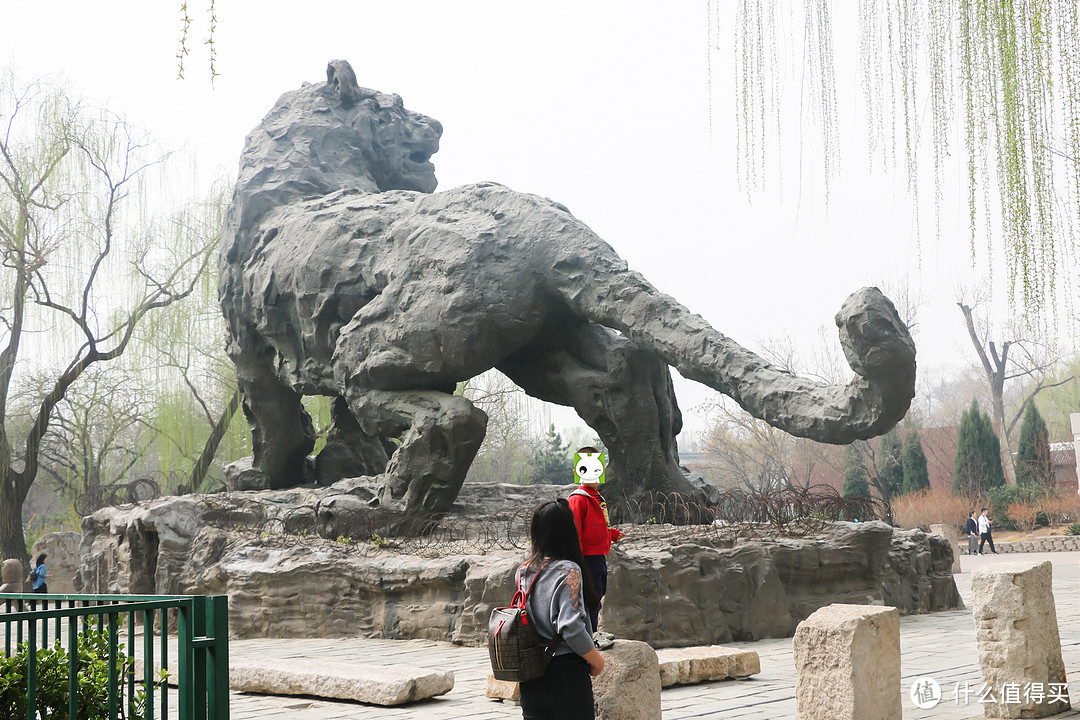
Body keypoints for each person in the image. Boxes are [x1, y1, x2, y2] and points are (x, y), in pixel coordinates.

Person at [517, 499, 605, 720]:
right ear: (568, 531)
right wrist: (597, 661)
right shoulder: (569, 570)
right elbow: (571, 627)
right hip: (566, 674)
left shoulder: (523, 570)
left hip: (531, 675)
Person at [566, 447, 623, 636]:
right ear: (577, 471)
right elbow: (574, 532)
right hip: (586, 558)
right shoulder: (578, 499)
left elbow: (599, 524)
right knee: (589, 598)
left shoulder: (597, 497)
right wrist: (577, 560)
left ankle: (592, 633)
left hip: (599, 556)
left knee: (597, 595)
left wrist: (612, 534)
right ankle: (588, 636)